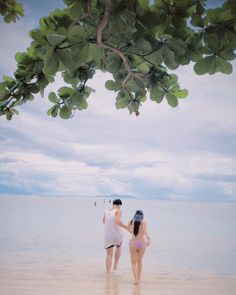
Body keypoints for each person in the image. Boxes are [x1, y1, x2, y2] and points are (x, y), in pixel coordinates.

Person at [103, 198, 127, 275]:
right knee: (118, 247)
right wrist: (126, 227)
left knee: (109, 254)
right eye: (120, 206)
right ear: (119, 205)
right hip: (117, 234)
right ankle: (115, 267)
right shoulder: (118, 211)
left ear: (113, 204)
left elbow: (103, 221)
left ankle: (108, 273)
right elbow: (117, 221)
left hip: (108, 234)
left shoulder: (106, 211)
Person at [127, 210, 150, 285]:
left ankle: (136, 279)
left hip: (133, 243)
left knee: (133, 262)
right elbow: (145, 231)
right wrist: (148, 239)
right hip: (141, 243)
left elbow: (128, 229)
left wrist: (132, 231)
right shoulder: (143, 223)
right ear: (142, 216)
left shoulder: (131, 221)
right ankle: (139, 278)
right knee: (139, 261)